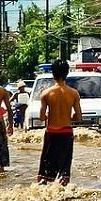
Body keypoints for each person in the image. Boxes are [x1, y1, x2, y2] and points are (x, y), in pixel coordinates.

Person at [37, 58, 82, 186]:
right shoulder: (74, 94)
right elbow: (78, 117)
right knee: (64, 172)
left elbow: (41, 117)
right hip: (66, 133)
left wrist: (49, 115)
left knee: (45, 173)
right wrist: (68, 117)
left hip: (51, 132)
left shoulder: (46, 93)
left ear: (53, 74)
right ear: (67, 73)